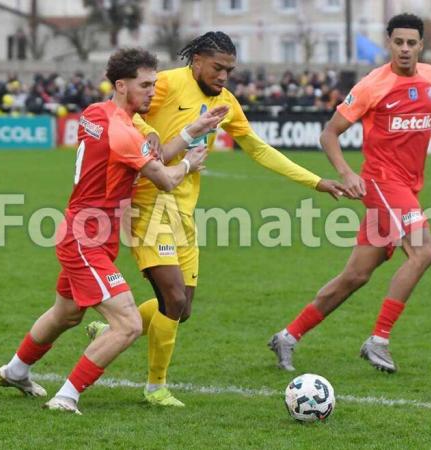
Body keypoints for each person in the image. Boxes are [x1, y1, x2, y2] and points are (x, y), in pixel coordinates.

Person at [85, 31, 346, 407]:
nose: (224, 76)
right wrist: (149, 134)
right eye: (218, 67)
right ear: (197, 61)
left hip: (184, 211)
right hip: (148, 202)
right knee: (172, 300)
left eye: (230, 70)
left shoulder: (225, 102)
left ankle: (116, 328)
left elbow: (257, 148)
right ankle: (155, 387)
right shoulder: (167, 83)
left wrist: (316, 181)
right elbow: (123, 111)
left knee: (182, 308)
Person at [0, 48, 228, 414]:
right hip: (86, 239)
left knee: (66, 314)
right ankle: (67, 396)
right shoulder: (124, 133)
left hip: (83, 233)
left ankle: (16, 370)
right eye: (145, 85)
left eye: (154, 83)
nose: (154, 91)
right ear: (121, 85)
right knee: (128, 324)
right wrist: (191, 164)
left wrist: (190, 130)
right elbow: (165, 178)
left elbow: (146, 150)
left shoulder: (96, 113)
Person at [268, 13, 431, 374]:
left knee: (355, 276)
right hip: (382, 183)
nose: (404, 49)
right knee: (424, 251)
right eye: (398, 42)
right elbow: (329, 134)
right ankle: (378, 340)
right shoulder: (372, 85)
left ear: (421, 45)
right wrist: (346, 172)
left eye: (411, 43)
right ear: (389, 44)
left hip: (406, 187)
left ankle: (287, 336)